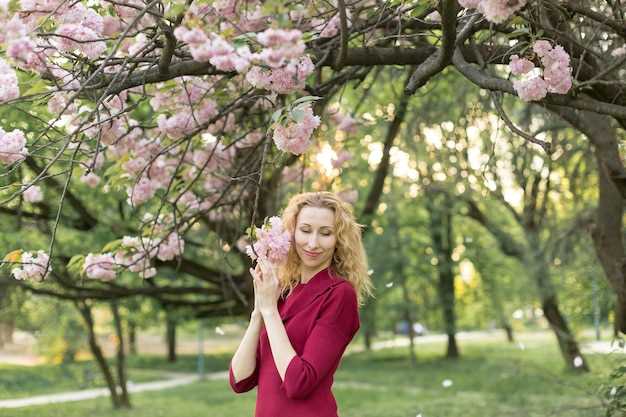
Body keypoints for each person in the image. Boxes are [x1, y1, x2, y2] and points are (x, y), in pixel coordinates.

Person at [228, 191, 375, 417]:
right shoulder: (284, 290)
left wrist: (270, 312)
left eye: (326, 233)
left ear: (339, 240)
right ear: (292, 232)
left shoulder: (339, 294)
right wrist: (259, 312)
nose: (313, 243)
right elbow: (240, 380)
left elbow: (299, 383)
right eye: (305, 230)